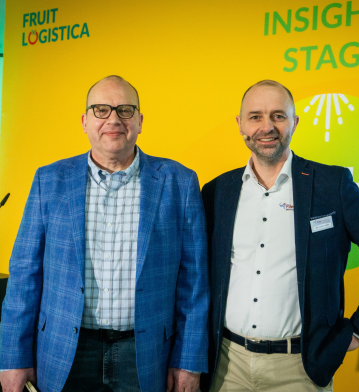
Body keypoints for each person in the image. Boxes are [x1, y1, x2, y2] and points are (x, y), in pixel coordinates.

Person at [0, 75, 209, 392]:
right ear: (84, 122)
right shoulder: (49, 180)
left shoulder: (179, 182)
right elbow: (23, 276)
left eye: (125, 110)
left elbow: (194, 282)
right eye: (101, 110)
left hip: (146, 354)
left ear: (140, 121)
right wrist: (13, 358)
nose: (113, 119)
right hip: (64, 351)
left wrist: (188, 361)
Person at [200, 80, 359, 391]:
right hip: (227, 365)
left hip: (300, 369)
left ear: (294, 122)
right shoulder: (217, 191)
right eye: (255, 116)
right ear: (240, 124)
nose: (267, 127)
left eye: (278, 116)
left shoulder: (332, 185)